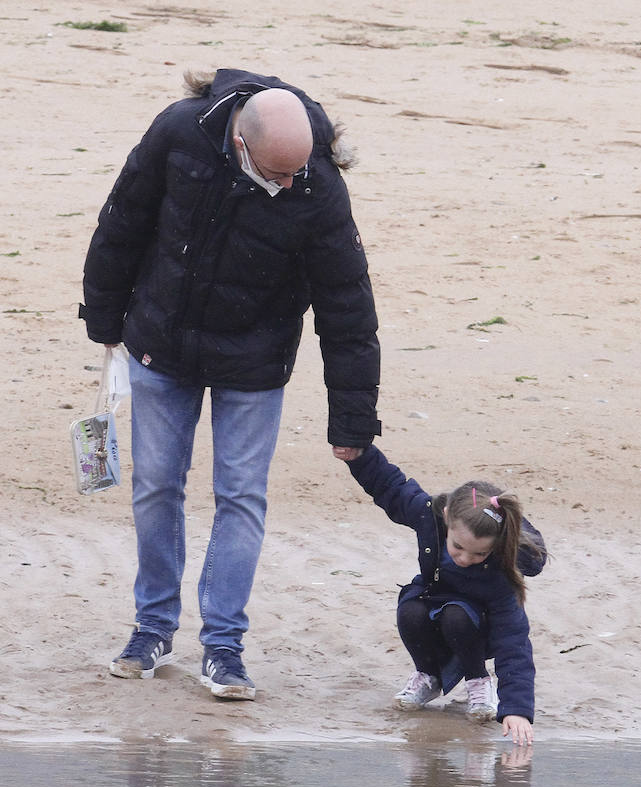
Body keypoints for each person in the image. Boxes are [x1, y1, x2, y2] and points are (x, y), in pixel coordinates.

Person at [81, 69, 382, 700]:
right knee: (156, 485)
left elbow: (347, 309)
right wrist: (104, 318)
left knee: (241, 495)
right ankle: (153, 628)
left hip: (255, 361)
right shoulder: (178, 132)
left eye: (297, 172)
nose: (289, 184)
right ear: (241, 145)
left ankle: (223, 645)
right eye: (278, 173)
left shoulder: (318, 185)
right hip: (161, 343)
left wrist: (352, 421)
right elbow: (123, 220)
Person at [334, 443, 545, 744]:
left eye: (479, 553)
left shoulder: (499, 574)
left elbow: (514, 644)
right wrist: (361, 456)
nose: (464, 559)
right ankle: (428, 676)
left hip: (474, 629)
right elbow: (391, 487)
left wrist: (518, 710)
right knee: (410, 607)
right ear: (446, 517)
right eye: (458, 547)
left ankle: (477, 681)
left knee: (456, 614)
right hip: (432, 610)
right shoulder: (429, 516)